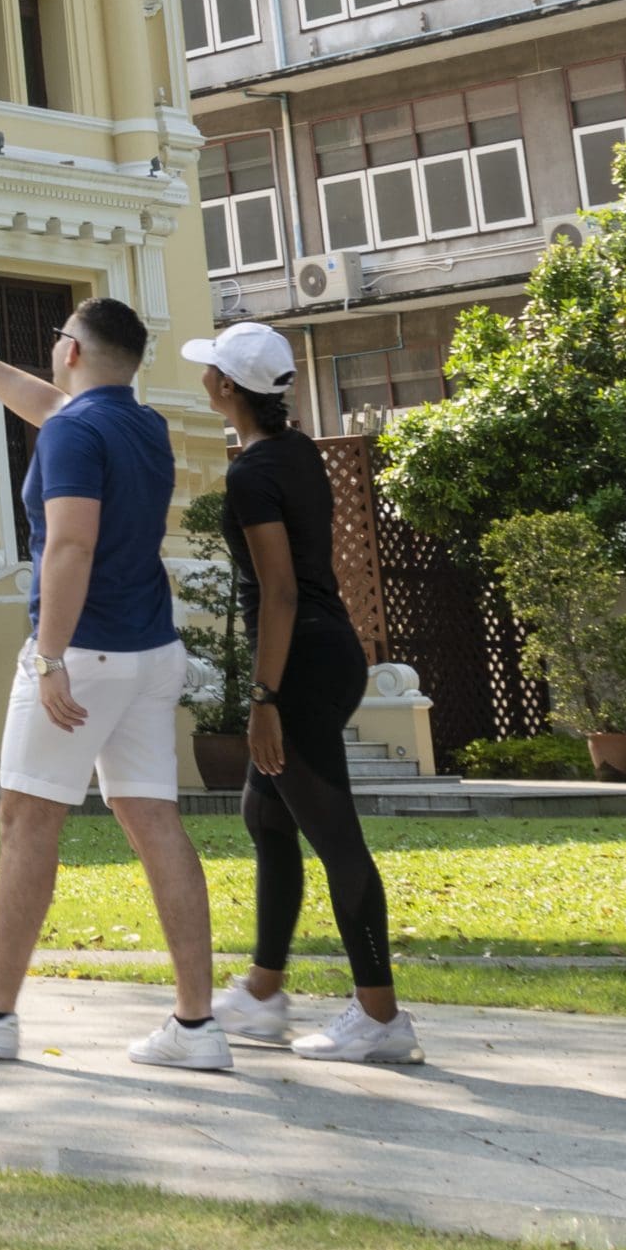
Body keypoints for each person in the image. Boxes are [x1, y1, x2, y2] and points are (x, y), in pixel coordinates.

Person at [0, 295, 235, 1072]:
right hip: (152, 653)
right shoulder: (136, 423)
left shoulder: (80, 433)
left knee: (26, 820)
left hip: (84, 654)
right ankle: (196, 1027)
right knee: (155, 822)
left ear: (74, 350)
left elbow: (71, 547)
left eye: (58, 341)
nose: (53, 353)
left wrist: (49, 656)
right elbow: (48, 404)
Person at [186, 322, 422, 1065]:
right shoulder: (295, 453)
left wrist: (264, 699)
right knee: (267, 813)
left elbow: (279, 592)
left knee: (335, 837)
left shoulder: (251, 474)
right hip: (328, 650)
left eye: (212, 370)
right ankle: (262, 992)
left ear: (227, 388)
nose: (206, 379)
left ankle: (380, 1016)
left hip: (301, 666)